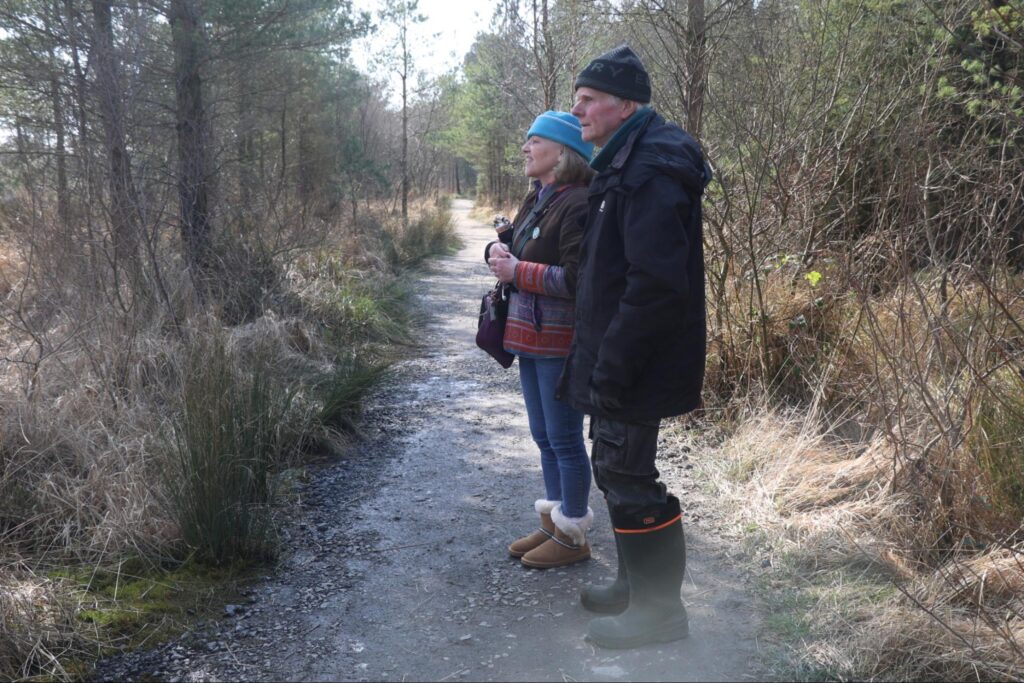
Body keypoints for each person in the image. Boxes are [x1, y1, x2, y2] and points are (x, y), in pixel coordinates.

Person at [558, 45, 712, 648]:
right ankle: (631, 586)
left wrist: (614, 365)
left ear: (626, 105)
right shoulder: (624, 159)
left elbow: (653, 285)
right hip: (617, 353)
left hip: (636, 358)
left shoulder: (649, 167)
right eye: (576, 102)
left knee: (628, 476)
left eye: (589, 101)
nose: (579, 113)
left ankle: (659, 613)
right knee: (613, 468)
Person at [485, 111, 596, 569]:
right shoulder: (540, 196)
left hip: (559, 340)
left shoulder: (580, 202)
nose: (525, 148)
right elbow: (523, 245)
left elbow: (579, 279)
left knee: (565, 439)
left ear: (562, 152)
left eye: (534, 140)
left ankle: (574, 535)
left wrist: (518, 271)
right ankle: (554, 523)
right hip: (529, 338)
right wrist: (497, 249)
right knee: (542, 436)